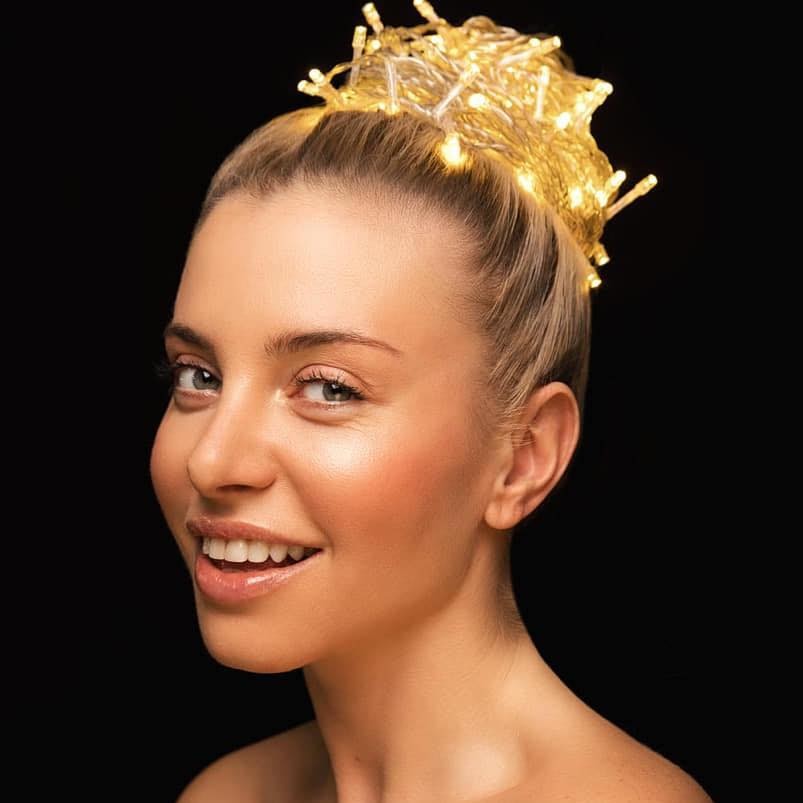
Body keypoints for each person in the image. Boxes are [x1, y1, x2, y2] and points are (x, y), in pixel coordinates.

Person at [149, 4, 712, 801]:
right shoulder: (226, 793)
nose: (212, 462)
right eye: (198, 376)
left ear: (522, 457)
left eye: (328, 387)